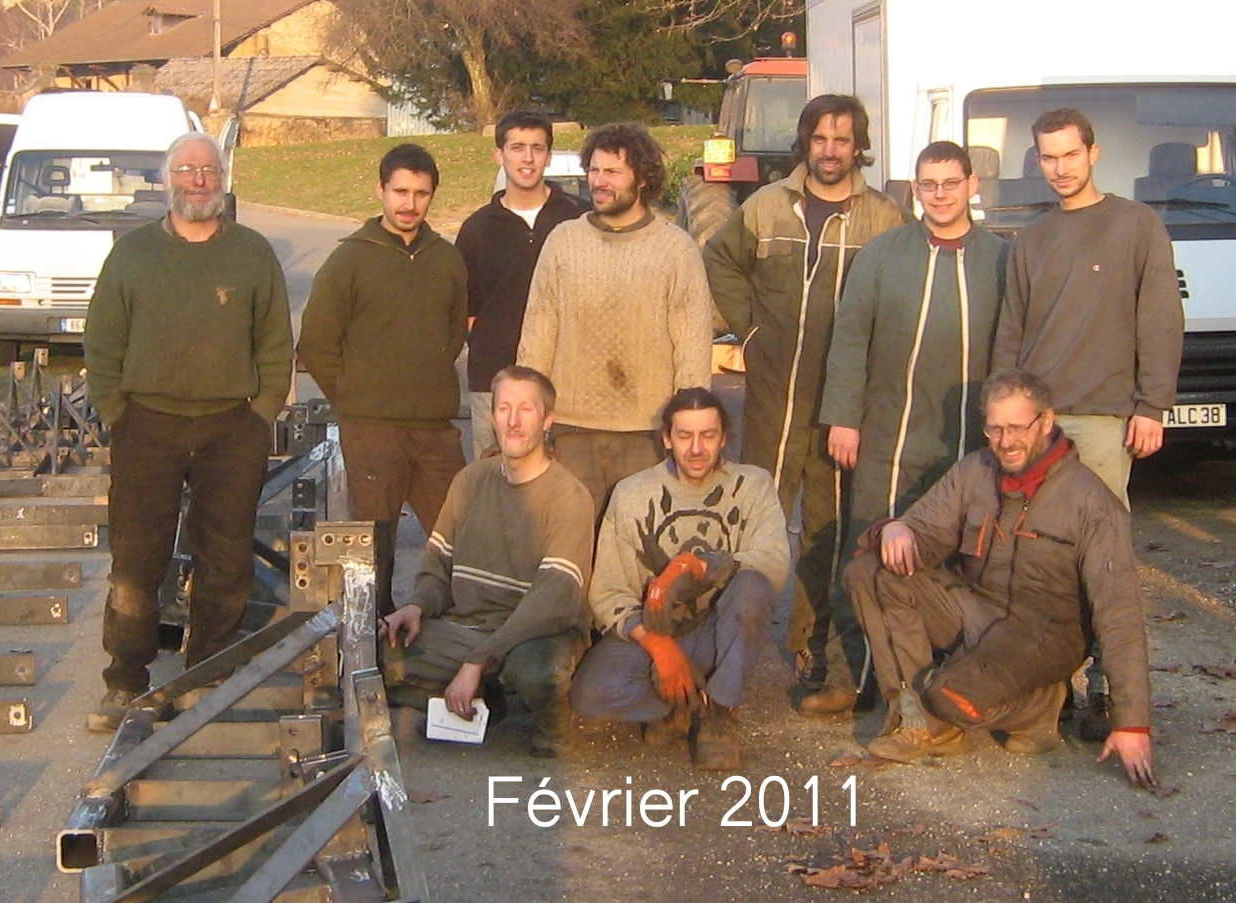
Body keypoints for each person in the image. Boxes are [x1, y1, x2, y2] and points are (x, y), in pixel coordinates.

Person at [844, 370, 1155, 789]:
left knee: (950, 695)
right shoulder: (974, 470)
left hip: (1043, 633)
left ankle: (1039, 709)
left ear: (1045, 422)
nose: (1005, 442)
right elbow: (926, 534)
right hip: (974, 605)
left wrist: (1132, 724)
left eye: (1016, 428)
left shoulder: (1093, 504)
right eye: (994, 429)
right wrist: (893, 529)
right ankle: (920, 719)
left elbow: (1120, 615)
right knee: (870, 572)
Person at [83, 132, 293, 731]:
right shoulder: (133, 254)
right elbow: (102, 342)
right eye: (186, 170)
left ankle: (206, 675)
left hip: (232, 427)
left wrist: (261, 414)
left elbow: (276, 341)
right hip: (147, 425)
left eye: (208, 170)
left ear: (222, 179)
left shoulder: (252, 253)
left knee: (225, 555)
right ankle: (126, 679)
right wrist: (118, 412)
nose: (198, 180)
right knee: (136, 557)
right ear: (167, 179)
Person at [704, 95, 906, 712]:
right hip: (772, 400)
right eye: (820, 138)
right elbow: (718, 259)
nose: (830, 150)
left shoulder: (883, 219)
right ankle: (722, 644)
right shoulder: (767, 205)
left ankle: (812, 646)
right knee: (753, 522)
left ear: (858, 147)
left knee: (826, 529)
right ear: (805, 142)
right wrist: (751, 332)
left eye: (843, 140)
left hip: (842, 409)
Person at [992, 108, 1183, 736]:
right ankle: (1052, 690)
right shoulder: (1034, 238)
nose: (1060, 168)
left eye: (1070, 154)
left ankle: (1107, 690)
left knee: (1103, 563)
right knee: (1038, 562)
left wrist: (1152, 405)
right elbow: (1011, 332)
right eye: (1048, 157)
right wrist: (1004, 417)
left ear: (1093, 153)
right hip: (1039, 425)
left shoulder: (1136, 225)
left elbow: (1159, 319)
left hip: (1104, 420)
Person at [812, 143, 1008, 714]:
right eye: (929, 184)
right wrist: (843, 416)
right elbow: (849, 337)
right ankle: (853, 676)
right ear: (914, 190)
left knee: (964, 559)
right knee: (866, 549)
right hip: (887, 434)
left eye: (951, 182)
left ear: (972, 185)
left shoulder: (1000, 258)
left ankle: (956, 679)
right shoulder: (882, 254)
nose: (941, 194)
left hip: (968, 442)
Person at [379, 366, 594, 757]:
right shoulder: (470, 480)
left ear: (548, 420)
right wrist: (416, 605)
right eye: (504, 408)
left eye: (526, 410)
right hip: (469, 628)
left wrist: (478, 660)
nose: (513, 421)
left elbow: (552, 603)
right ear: (491, 415)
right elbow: (438, 566)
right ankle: (485, 697)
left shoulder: (568, 496)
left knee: (538, 673)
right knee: (376, 657)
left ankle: (551, 723)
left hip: (534, 634)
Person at [570, 388, 790, 770]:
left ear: (724, 438)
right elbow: (607, 593)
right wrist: (658, 646)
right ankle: (686, 704)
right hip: (658, 627)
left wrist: (704, 565)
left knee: (753, 586)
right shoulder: (633, 493)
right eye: (685, 436)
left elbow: (775, 562)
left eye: (708, 435)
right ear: (667, 439)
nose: (697, 448)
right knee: (589, 696)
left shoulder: (753, 484)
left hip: (718, 629)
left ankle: (719, 712)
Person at [298, 143, 468, 617]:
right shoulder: (349, 261)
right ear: (380, 190)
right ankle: (370, 642)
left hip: (435, 428)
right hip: (370, 428)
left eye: (421, 193)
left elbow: (452, 335)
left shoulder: (447, 260)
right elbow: (316, 342)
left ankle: (447, 634)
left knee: (457, 537)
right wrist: (355, 397)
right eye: (400, 192)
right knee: (375, 547)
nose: (409, 204)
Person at [517, 121, 713, 516]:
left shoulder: (675, 250)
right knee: (571, 551)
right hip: (572, 432)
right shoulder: (563, 241)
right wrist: (530, 416)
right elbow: (537, 334)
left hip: (646, 433)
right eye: (594, 170)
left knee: (640, 553)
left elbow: (692, 346)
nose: (599, 182)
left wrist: (687, 430)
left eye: (612, 172)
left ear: (642, 179)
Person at [456, 110, 588, 459]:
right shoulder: (477, 229)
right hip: (493, 384)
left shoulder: (579, 219)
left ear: (548, 154)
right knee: (494, 488)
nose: (527, 158)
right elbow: (466, 310)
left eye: (537, 148)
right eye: (517, 147)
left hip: (566, 385)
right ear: (499, 155)